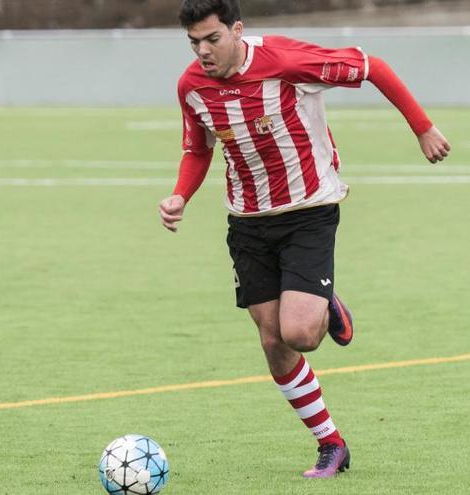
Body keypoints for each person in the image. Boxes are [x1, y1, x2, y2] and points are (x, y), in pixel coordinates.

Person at [160, 0, 450, 478]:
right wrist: (179, 197)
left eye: (212, 39)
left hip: (308, 212)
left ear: (237, 29)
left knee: (299, 333)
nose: (203, 52)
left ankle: (323, 301)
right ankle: (331, 444)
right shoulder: (191, 86)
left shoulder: (286, 61)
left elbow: (373, 67)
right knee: (273, 342)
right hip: (247, 223)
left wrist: (423, 128)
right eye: (194, 43)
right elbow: (197, 149)